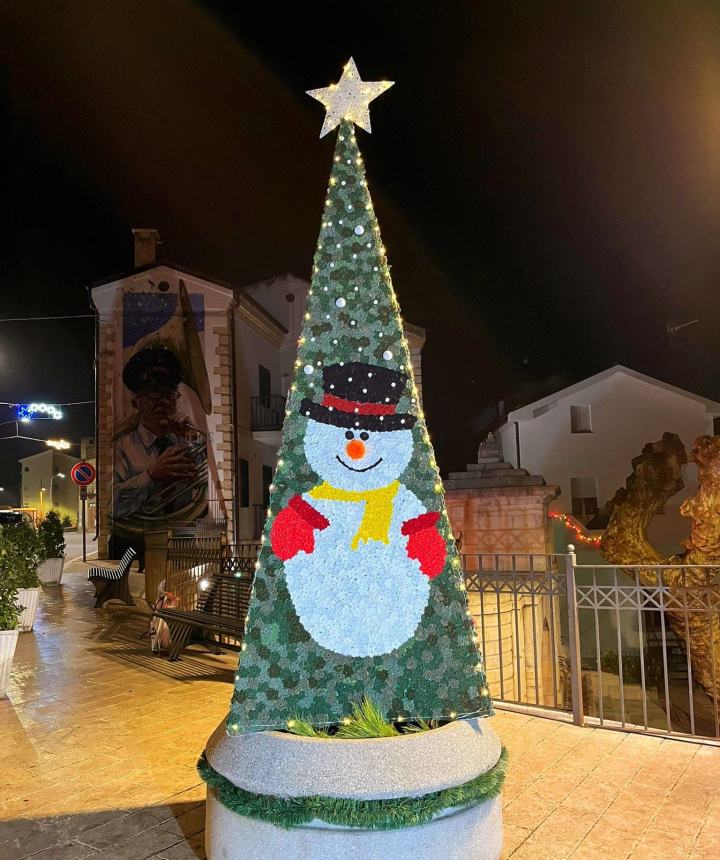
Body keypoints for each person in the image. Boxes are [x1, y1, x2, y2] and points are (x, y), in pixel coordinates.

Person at [110, 347, 205, 561]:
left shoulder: (188, 441)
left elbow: (204, 491)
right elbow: (111, 504)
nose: (163, 401)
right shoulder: (120, 448)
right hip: (134, 546)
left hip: (183, 540)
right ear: (136, 402)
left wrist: (192, 438)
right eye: (153, 393)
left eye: (169, 394)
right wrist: (151, 476)